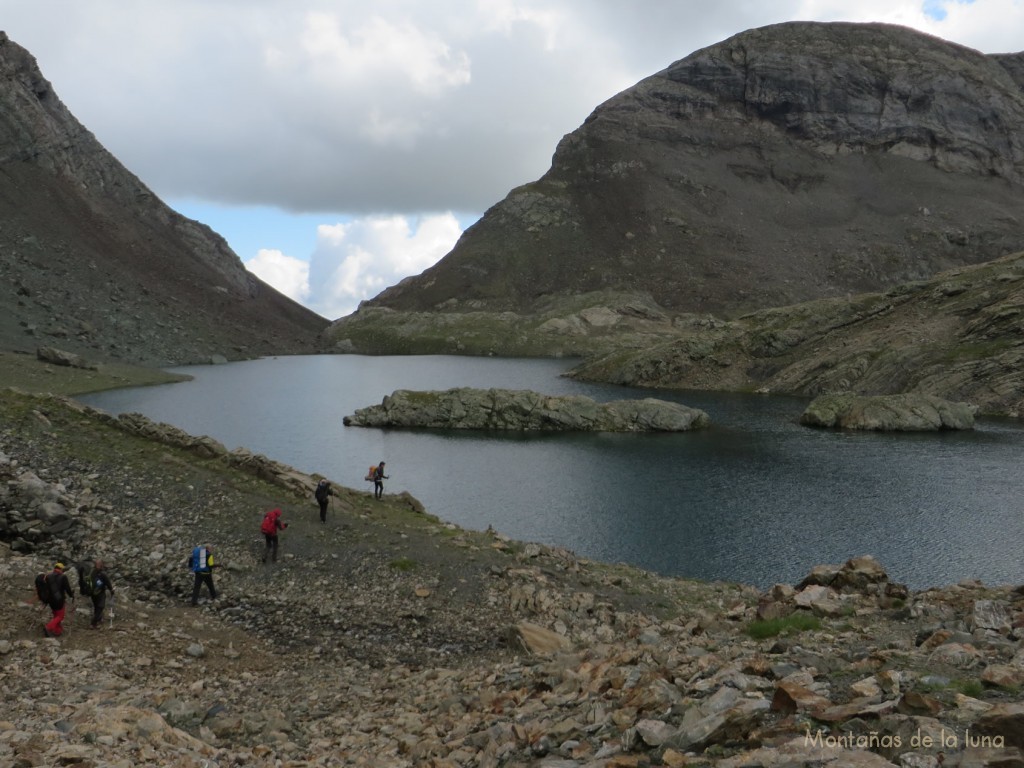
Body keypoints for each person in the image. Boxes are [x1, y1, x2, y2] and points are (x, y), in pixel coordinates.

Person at [43, 562, 75, 637]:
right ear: (60, 569)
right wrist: (71, 595)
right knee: (60, 616)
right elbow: (67, 589)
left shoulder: (48, 576)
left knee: (56, 615)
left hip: (50, 600)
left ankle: (57, 630)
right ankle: (48, 627)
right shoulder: (63, 577)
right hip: (59, 600)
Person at [84, 559, 115, 629]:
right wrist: (111, 590)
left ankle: (99, 619)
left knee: (96, 607)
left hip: (93, 594)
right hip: (100, 593)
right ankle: (93, 623)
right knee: (100, 607)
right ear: (101, 565)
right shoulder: (102, 574)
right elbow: (108, 582)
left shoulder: (92, 572)